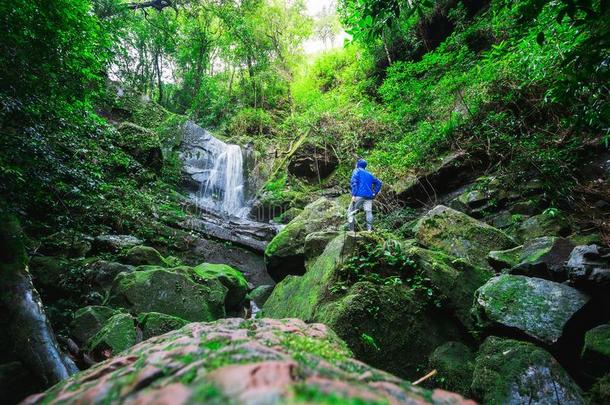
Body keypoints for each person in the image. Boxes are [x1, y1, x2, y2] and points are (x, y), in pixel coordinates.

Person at [348, 158, 382, 231]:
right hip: (369, 196)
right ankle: (369, 231)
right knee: (368, 212)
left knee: (351, 211)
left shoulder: (356, 170)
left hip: (359, 195)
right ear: (365, 166)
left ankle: (351, 230)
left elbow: (354, 182)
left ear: (357, 164)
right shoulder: (369, 174)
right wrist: (374, 192)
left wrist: (353, 195)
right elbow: (379, 183)